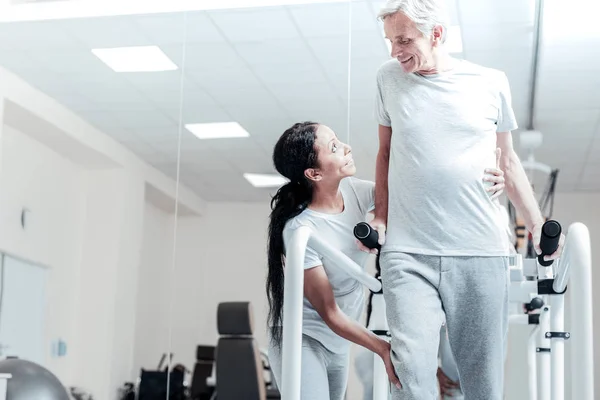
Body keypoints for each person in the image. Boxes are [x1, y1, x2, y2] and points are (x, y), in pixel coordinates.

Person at [368, 1, 566, 399]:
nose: (394, 50)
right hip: (408, 251)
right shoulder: (388, 78)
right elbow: (385, 154)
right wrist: (381, 217)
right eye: (390, 41)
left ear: (436, 34)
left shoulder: (490, 82)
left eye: (404, 40)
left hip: (479, 249)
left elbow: (507, 160)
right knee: (411, 372)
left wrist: (538, 221)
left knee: (481, 379)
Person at [265, 122, 506, 399]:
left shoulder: (355, 192)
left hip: (338, 342)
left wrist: (483, 181)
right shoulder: (301, 231)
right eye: (334, 147)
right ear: (314, 173)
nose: (346, 147)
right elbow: (329, 313)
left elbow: (411, 192)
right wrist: (382, 347)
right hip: (303, 338)